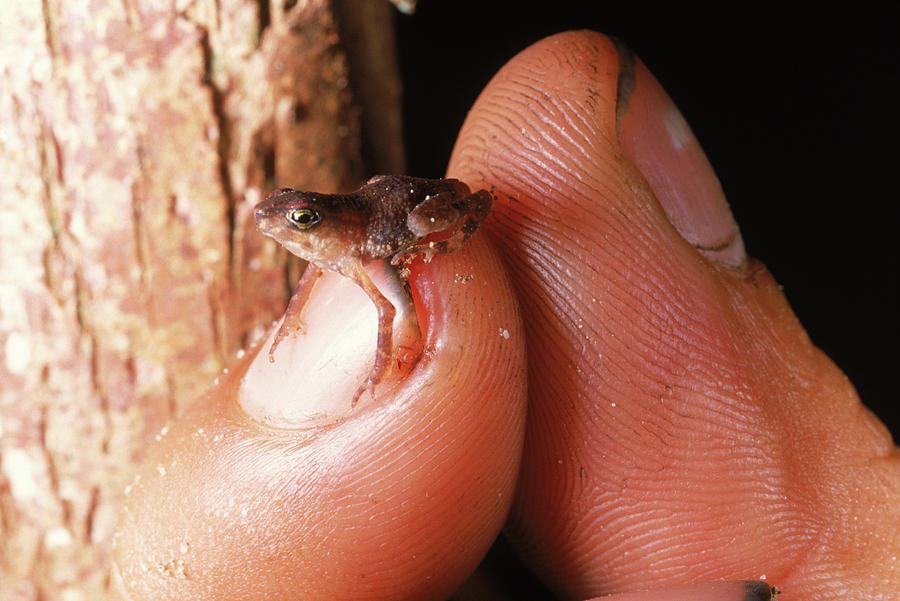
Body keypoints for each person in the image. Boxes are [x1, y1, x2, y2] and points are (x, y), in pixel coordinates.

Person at [110, 31, 898, 601]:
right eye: (288, 221)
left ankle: (456, 224)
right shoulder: (338, 252)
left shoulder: (363, 243)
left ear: (329, 224)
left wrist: (399, 340)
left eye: (303, 222)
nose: (289, 231)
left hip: (413, 211)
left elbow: (390, 316)